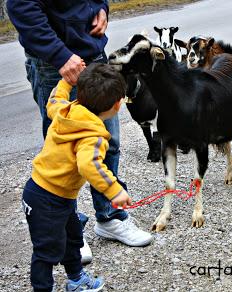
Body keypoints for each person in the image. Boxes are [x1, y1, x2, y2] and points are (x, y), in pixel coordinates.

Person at [6, 0, 152, 255]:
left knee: (109, 143)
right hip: (54, 62)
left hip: (92, 53)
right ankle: (69, 230)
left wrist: (102, 9)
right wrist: (59, 55)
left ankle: (109, 217)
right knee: (64, 150)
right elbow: (21, 7)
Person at [22, 63, 145, 291]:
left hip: (49, 194)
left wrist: (66, 82)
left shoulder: (67, 110)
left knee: (72, 238)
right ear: (118, 104)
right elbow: (89, 165)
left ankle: (77, 279)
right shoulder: (94, 135)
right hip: (47, 200)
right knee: (46, 251)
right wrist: (114, 190)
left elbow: (54, 99)